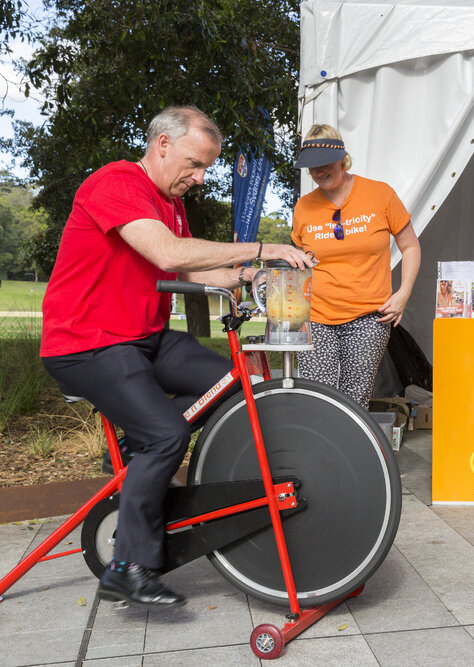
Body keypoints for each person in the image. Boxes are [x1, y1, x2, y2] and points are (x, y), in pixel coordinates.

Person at [40, 106, 316, 608]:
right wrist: (259, 248)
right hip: (87, 343)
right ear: (162, 145)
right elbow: (169, 254)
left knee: (236, 380)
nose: (200, 177)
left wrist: (251, 276)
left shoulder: (168, 202)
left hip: (142, 336)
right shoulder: (116, 182)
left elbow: (190, 273)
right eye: (194, 163)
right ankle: (128, 566)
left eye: (207, 167)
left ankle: (133, 448)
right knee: (166, 435)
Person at [291, 125, 421, 409]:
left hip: (368, 317)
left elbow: (410, 246)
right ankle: (319, 454)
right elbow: (299, 264)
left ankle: (347, 453)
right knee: (318, 397)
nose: (318, 173)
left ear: (342, 158)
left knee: (355, 399)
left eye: (324, 165)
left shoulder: (380, 195)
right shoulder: (303, 207)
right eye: (311, 168)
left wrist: (403, 294)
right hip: (316, 316)